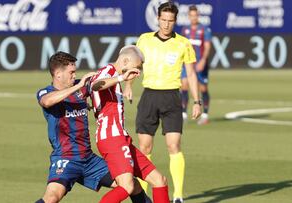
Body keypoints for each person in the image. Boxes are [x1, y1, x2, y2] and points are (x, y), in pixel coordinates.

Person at [35, 51, 151, 203]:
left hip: (89, 159)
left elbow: (100, 83)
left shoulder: (80, 86)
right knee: (52, 197)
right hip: (66, 158)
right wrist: (79, 87)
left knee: (131, 184)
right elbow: (47, 102)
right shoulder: (47, 92)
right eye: (71, 72)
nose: (74, 75)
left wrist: (124, 78)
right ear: (58, 74)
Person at [123, 2, 202, 203]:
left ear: (175, 21)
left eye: (170, 21)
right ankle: (142, 197)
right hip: (149, 97)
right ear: (158, 19)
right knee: (145, 147)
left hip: (172, 98)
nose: (166, 24)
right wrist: (129, 85)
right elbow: (134, 66)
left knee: (174, 145)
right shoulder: (145, 40)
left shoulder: (183, 43)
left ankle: (177, 196)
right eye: (163, 20)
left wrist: (197, 101)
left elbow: (191, 75)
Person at [89, 45, 170, 203]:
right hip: (112, 138)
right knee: (127, 186)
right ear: (125, 60)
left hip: (121, 138)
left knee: (159, 181)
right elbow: (95, 85)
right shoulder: (109, 71)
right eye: (137, 67)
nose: (138, 72)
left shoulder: (114, 78)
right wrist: (122, 77)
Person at [181, 5, 212, 125]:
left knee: (203, 88)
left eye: (196, 15)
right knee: (184, 86)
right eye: (191, 15)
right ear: (189, 16)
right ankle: (183, 114)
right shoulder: (185, 30)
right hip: (187, 63)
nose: (194, 17)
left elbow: (208, 47)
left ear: (198, 15)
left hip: (200, 63)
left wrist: (203, 60)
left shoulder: (205, 29)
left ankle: (205, 115)